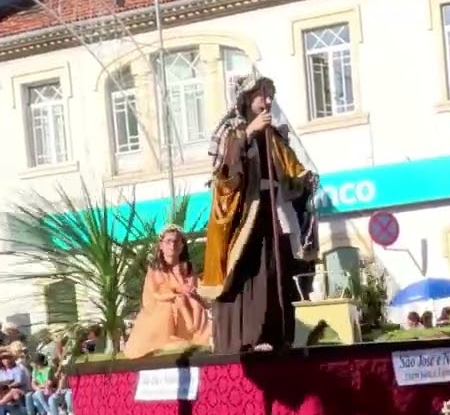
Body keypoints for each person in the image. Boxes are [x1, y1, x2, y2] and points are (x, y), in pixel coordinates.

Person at [203, 73, 318, 353]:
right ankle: (244, 335)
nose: (267, 101)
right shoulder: (232, 130)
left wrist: (304, 180)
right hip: (243, 215)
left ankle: (276, 332)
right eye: (261, 96)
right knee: (245, 268)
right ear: (246, 99)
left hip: (270, 210)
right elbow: (225, 172)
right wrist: (248, 134)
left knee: (274, 267)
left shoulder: (275, 135)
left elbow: (291, 171)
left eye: (270, 96)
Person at [123, 226, 213, 359]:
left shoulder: (187, 267)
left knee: (197, 306)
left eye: (176, 242)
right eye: (168, 241)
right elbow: (154, 294)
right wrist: (175, 293)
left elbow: (194, 289)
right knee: (169, 307)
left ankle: (195, 334)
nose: (172, 245)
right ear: (161, 245)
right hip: (161, 306)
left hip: (188, 305)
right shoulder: (155, 267)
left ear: (182, 246)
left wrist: (190, 292)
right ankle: (170, 339)